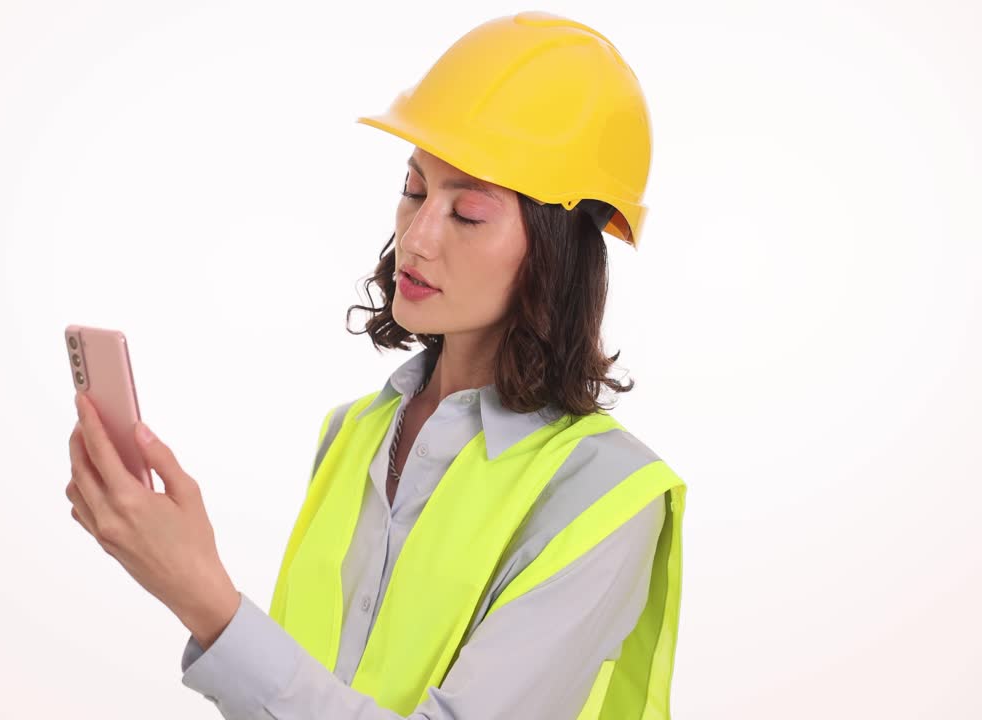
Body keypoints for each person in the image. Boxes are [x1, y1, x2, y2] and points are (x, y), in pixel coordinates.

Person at [66, 11, 686, 719]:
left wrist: (204, 598)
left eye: (469, 214)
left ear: (553, 254)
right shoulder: (353, 435)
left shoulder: (607, 498)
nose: (417, 238)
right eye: (416, 190)